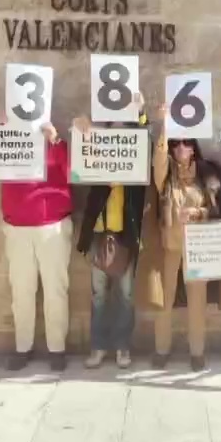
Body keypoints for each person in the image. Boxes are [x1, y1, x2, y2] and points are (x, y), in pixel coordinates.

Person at [73, 96, 149, 369]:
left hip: (125, 235)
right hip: (98, 234)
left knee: (126, 295)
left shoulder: (135, 161)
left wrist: (141, 113)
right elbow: (82, 153)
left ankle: (122, 347)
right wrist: (81, 129)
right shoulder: (98, 153)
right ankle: (98, 346)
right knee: (98, 295)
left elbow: (144, 139)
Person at [152, 104, 221, 371]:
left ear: (193, 148)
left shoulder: (205, 177)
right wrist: (165, 126)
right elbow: (158, 161)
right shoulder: (167, 178)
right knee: (165, 299)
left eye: (186, 143)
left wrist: (197, 212)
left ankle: (197, 352)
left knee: (197, 302)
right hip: (170, 246)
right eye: (176, 144)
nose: (181, 148)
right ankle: (161, 349)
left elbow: (213, 209)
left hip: (197, 247)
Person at [1, 119, 73, 372]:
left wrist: (55, 141)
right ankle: (23, 346)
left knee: (55, 289)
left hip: (51, 224)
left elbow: (72, 172)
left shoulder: (54, 140)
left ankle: (57, 347)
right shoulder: (5, 134)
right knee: (21, 290)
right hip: (17, 225)